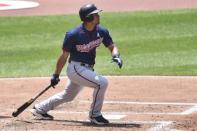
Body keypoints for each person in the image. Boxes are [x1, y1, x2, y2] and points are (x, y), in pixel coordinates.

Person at [31, 3, 123, 125]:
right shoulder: (73, 34)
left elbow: (112, 46)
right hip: (75, 68)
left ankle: (40, 109)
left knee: (68, 95)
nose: (98, 16)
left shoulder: (101, 30)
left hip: (87, 70)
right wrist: (55, 75)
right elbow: (64, 56)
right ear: (89, 18)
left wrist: (116, 55)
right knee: (102, 83)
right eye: (96, 14)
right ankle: (95, 115)